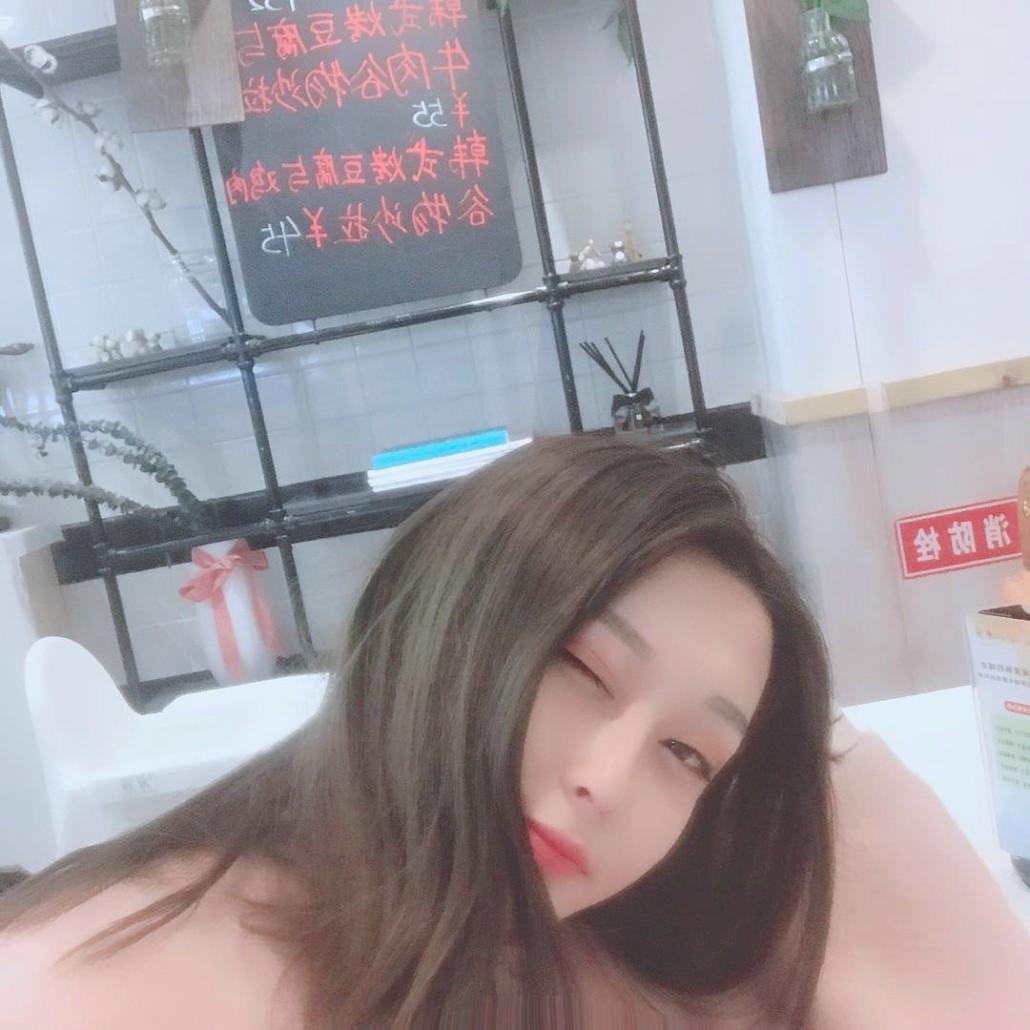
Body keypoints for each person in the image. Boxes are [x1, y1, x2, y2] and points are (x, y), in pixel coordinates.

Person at [0, 435, 840, 1026]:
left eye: (688, 753)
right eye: (582, 669)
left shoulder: (559, 961)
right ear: (432, 622)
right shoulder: (114, 985)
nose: (608, 780)